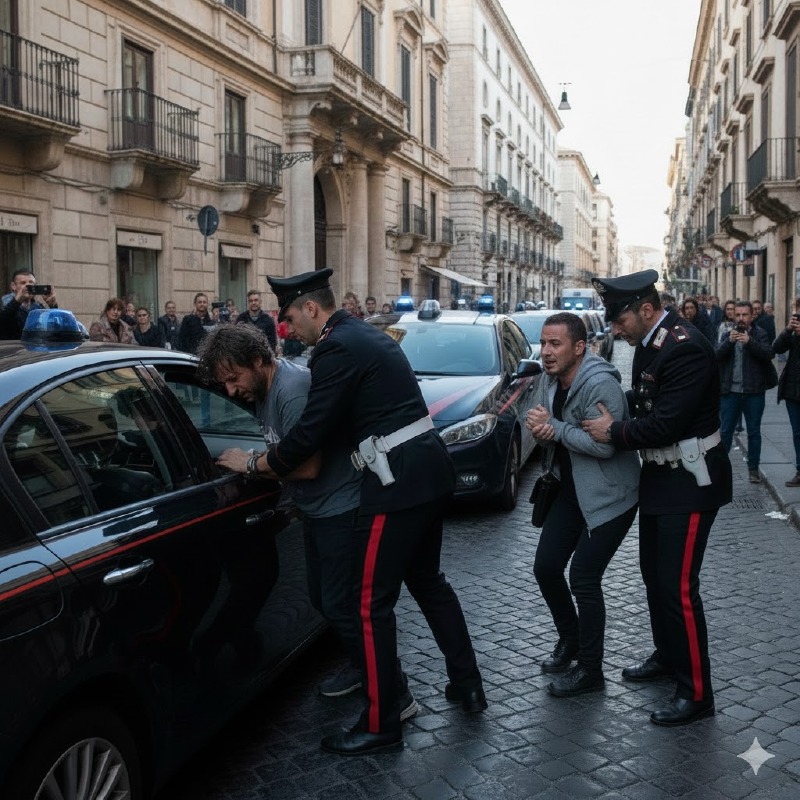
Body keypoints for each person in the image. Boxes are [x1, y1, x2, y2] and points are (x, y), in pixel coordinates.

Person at [252, 268, 485, 756]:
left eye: (290, 317)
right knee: (429, 583)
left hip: (395, 482)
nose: (287, 328)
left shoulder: (336, 347)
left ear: (311, 308)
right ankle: (468, 684)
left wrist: (261, 463)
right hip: (425, 469)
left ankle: (383, 722)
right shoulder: (362, 335)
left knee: (367, 605)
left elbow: (312, 431)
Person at [195, 325, 415, 709]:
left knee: (343, 606)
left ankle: (394, 693)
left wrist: (248, 464)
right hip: (318, 509)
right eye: (223, 384)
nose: (230, 391)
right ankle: (361, 668)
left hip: (340, 510)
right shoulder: (268, 388)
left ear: (259, 360)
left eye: (233, 379)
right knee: (326, 601)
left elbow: (308, 466)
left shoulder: (291, 391)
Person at [583, 269, 732, 727]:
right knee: (654, 578)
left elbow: (664, 423)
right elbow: (648, 400)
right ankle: (669, 657)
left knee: (678, 589)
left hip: (690, 481)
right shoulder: (651, 343)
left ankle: (697, 693)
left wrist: (615, 430)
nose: (614, 329)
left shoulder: (683, 346)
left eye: (619, 318)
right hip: (662, 478)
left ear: (645, 310)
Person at [525, 312, 640, 698]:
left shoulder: (600, 385)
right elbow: (551, 433)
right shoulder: (547, 378)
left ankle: (591, 671)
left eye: (554, 344)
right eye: (543, 343)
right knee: (546, 567)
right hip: (570, 490)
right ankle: (570, 639)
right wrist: (541, 431)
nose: (545, 352)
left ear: (579, 347)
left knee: (584, 578)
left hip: (611, 494)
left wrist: (555, 429)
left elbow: (605, 446)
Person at [716, 300, 775, 483]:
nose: (741, 318)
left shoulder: (760, 334)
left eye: (744, 315)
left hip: (754, 392)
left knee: (754, 432)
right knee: (725, 432)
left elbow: (768, 354)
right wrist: (729, 342)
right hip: (730, 392)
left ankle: (753, 469)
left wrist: (750, 342)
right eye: (738, 315)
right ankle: (720, 470)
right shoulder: (727, 334)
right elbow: (716, 355)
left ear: (751, 316)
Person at [774, 309, 800, 487]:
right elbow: (776, 348)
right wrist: (787, 330)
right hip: (793, 389)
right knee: (798, 433)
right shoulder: (793, 331)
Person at [0, 269, 58, 339]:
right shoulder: (4, 304)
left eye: (31, 282)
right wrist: (17, 301)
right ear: (13, 286)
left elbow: (55, 327)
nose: (28, 286)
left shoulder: (38, 308)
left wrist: (53, 306)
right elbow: (3, 321)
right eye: (23, 283)